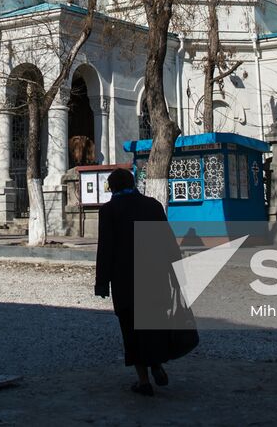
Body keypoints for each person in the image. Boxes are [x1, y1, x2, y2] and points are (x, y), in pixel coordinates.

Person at [94, 168, 197, 396]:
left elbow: (106, 249)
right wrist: (178, 272)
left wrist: (102, 283)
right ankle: (156, 363)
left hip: (125, 280)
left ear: (113, 188)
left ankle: (143, 382)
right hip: (155, 277)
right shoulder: (153, 206)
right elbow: (168, 240)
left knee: (131, 330)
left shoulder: (110, 211)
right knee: (154, 324)